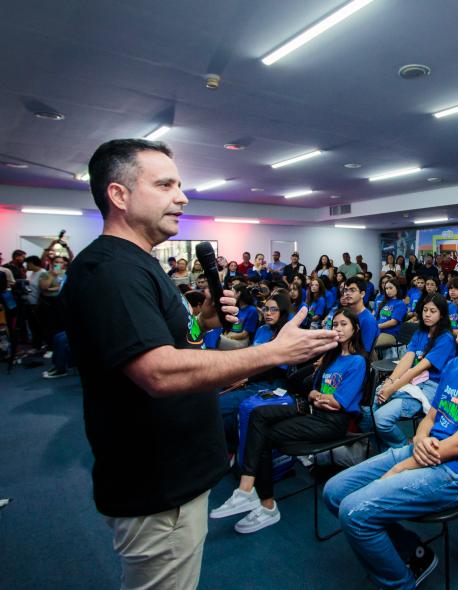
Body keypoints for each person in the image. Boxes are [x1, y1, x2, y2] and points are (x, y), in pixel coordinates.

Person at [61, 139, 339, 589]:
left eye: (180, 185)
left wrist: (203, 320)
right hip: (158, 483)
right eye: (165, 185)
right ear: (119, 195)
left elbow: (172, 343)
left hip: (173, 473)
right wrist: (275, 352)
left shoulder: (139, 265)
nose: (182, 197)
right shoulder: (113, 271)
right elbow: (158, 371)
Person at [323, 293, 458, 589]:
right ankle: (412, 552)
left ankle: (400, 583)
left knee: (354, 512)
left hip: (456, 473)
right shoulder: (456, 364)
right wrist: (419, 436)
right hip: (423, 450)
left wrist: (401, 467)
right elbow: (432, 415)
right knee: (334, 492)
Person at [211, 308, 368, 533]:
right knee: (258, 415)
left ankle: (266, 505)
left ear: (356, 328)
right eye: (335, 324)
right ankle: (245, 491)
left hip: (332, 423)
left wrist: (319, 398)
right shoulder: (330, 357)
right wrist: (317, 397)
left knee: (265, 435)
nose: (338, 329)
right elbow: (309, 389)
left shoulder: (357, 361)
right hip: (312, 410)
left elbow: (337, 403)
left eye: (344, 324)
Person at [370, 293, 457, 448]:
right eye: (425, 310)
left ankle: (404, 448)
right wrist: (389, 381)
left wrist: (392, 388)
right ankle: (385, 451)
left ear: (442, 314)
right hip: (413, 380)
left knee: (381, 419)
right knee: (374, 403)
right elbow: (407, 360)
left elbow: (418, 368)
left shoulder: (446, 338)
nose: (427, 314)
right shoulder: (421, 332)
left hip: (431, 386)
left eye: (433, 311)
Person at [217, 292, 294, 452]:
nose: (268, 313)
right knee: (214, 394)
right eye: (266, 309)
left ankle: (231, 450)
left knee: (219, 406)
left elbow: (276, 371)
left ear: (283, 312)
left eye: (274, 309)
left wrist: (246, 379)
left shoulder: (287, 335)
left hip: (269, 383)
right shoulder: (262, 329)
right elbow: (250, 357)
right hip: (249, 377)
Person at [341, 276, 379, 353]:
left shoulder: (368, 320)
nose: (347, 293)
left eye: (352, 290)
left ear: (362, 294)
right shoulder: (345, 314)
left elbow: (364, 351)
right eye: (346, 290)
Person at [373, 278, 407, 348]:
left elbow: (393, 322)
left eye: (391, 288)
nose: (388, 291)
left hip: (390, 334)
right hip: (378, 331)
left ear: (397, 288)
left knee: (369, 344)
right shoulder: (384, 302)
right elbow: (375, 317)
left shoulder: (400, 304)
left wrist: (377, 326)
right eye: (386, 288)